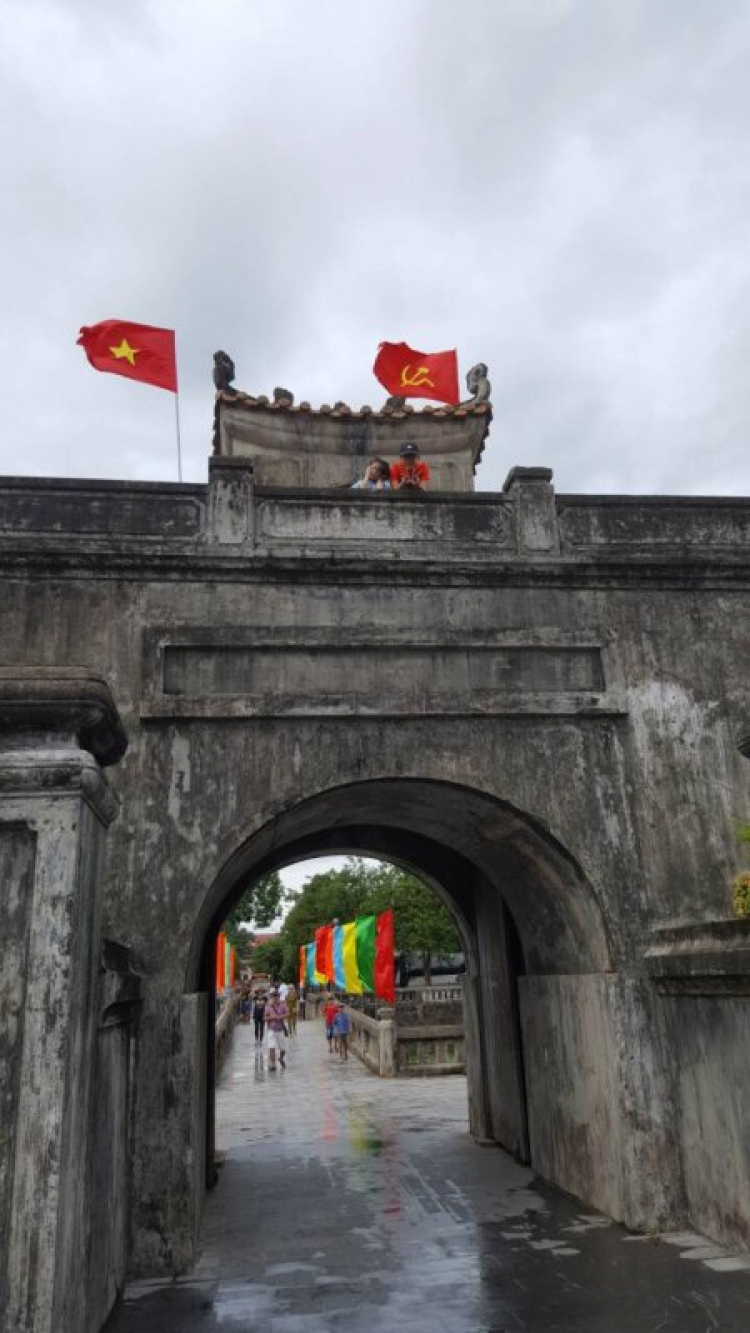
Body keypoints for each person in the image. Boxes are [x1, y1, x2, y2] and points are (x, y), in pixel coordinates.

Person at [265, 989, 288, 1070]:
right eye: (274, 997)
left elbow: (287, 1013)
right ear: (272, 998)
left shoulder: (283, 1005)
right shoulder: (268, 1007)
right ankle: (272, 1064)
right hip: (271, 1029)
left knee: (283, 1049)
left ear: (279, 997)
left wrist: (281, 1016)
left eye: (277, 997)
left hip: (280, 1029)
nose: (275, 998)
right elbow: (264, 1017)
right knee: (272, 1047)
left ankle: (281, 1058)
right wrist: (271, 1017)